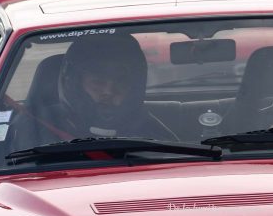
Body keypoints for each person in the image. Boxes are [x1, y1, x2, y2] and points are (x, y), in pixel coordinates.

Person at [15, 34, 175, 148]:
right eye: (98, 82)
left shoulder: (154, 134)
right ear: (75, 84)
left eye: (121, 81)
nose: (109, 91)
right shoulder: (33, 127)